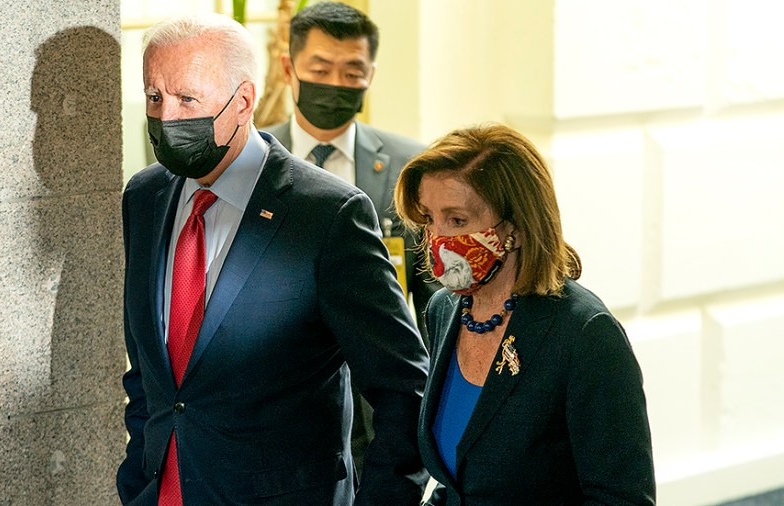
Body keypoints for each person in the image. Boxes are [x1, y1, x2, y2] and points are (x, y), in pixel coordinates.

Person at [116, 13, 429, 506]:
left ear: (242, 102)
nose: (167, 117)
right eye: (155, 97)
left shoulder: (327, 216)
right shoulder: (145, 196)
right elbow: (150, 376)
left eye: (187, 99)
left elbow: (403, 389)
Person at [394, 124, 656, 505]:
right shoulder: (444, 309)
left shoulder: (585, 332)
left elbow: (622, 498)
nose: (437, 239)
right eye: (430, 218)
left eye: (457, 220)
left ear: (515, 228)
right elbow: (459, 482)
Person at [263, 1, 439, 471]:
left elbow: (436, 300)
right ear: (289, 67)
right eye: (320, 68)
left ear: (370, 75)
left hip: (380, 404)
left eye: (352, 72)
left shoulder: (413, 169)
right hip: (277, 403)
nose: (335, 84)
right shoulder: (252, 162)